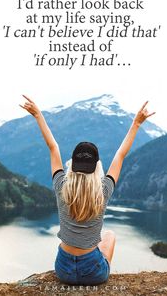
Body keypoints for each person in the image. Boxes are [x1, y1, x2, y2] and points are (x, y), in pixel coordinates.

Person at [20, 95, 155, 285]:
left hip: (63, 269)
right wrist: (136, 124)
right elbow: (120, 155)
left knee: (94, 242)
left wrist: (38, 115)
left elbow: (53, 147)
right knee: (109, 236)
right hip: (94, 273)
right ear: (97, 167)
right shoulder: (103, 191)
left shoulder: (61, 186)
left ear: (72, 165)